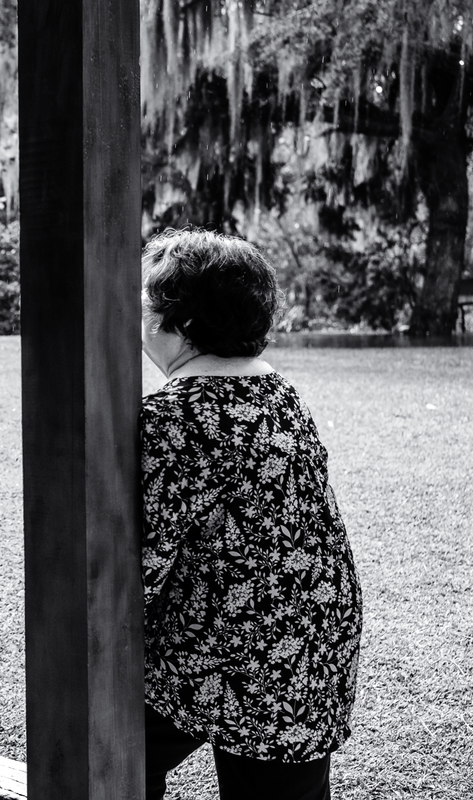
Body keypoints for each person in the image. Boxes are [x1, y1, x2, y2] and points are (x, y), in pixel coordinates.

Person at [138, 229, 363, 800]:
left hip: (238, 647)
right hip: (317, 630)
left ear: (178, 323)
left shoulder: (175, 415)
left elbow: (139, 563)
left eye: (144, 304)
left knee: (105, 741)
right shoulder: (278, 390)